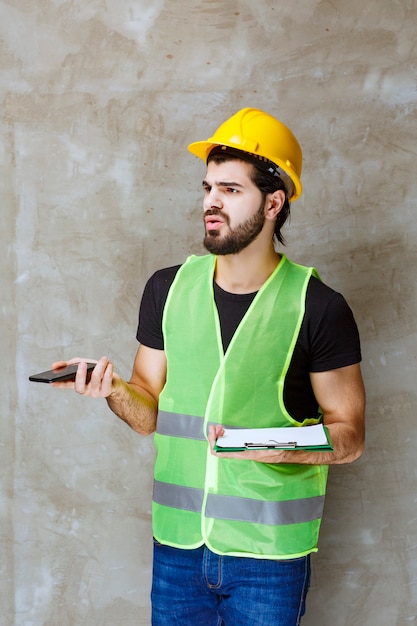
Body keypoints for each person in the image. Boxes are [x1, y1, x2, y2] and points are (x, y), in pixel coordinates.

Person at [52, 107, 365, 625]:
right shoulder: (167, 290)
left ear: (274, 202)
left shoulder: (319, 306)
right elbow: (148, 409)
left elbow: (349, 436)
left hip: (268, 557)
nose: (210, 203)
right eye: (207, 188)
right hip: (176, 549)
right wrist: (111, 389)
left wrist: (273, 445)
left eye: (230, 190)